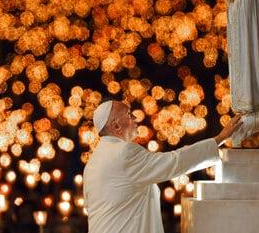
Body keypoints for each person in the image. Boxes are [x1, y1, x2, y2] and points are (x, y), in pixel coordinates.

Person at [83, 100, 242, 233]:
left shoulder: (92, 162)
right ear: (116, 126)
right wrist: (219, 139)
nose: (136, 117)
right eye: (129, 114)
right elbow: (174, 162)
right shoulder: (124, 152)